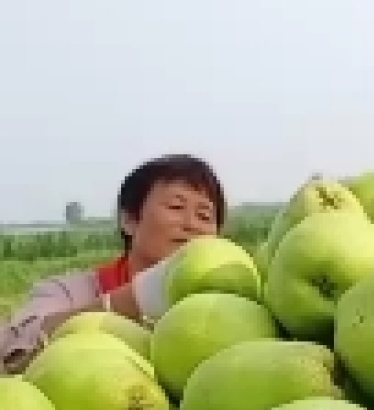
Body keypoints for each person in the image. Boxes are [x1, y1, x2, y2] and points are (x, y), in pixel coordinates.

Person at [0, 154, 226, 372]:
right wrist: (139, 297)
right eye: (176, 207)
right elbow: (10, 353)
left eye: (204, 216)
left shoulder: (225, 305)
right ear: (129, 220)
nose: (192, 225)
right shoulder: (70, 293)